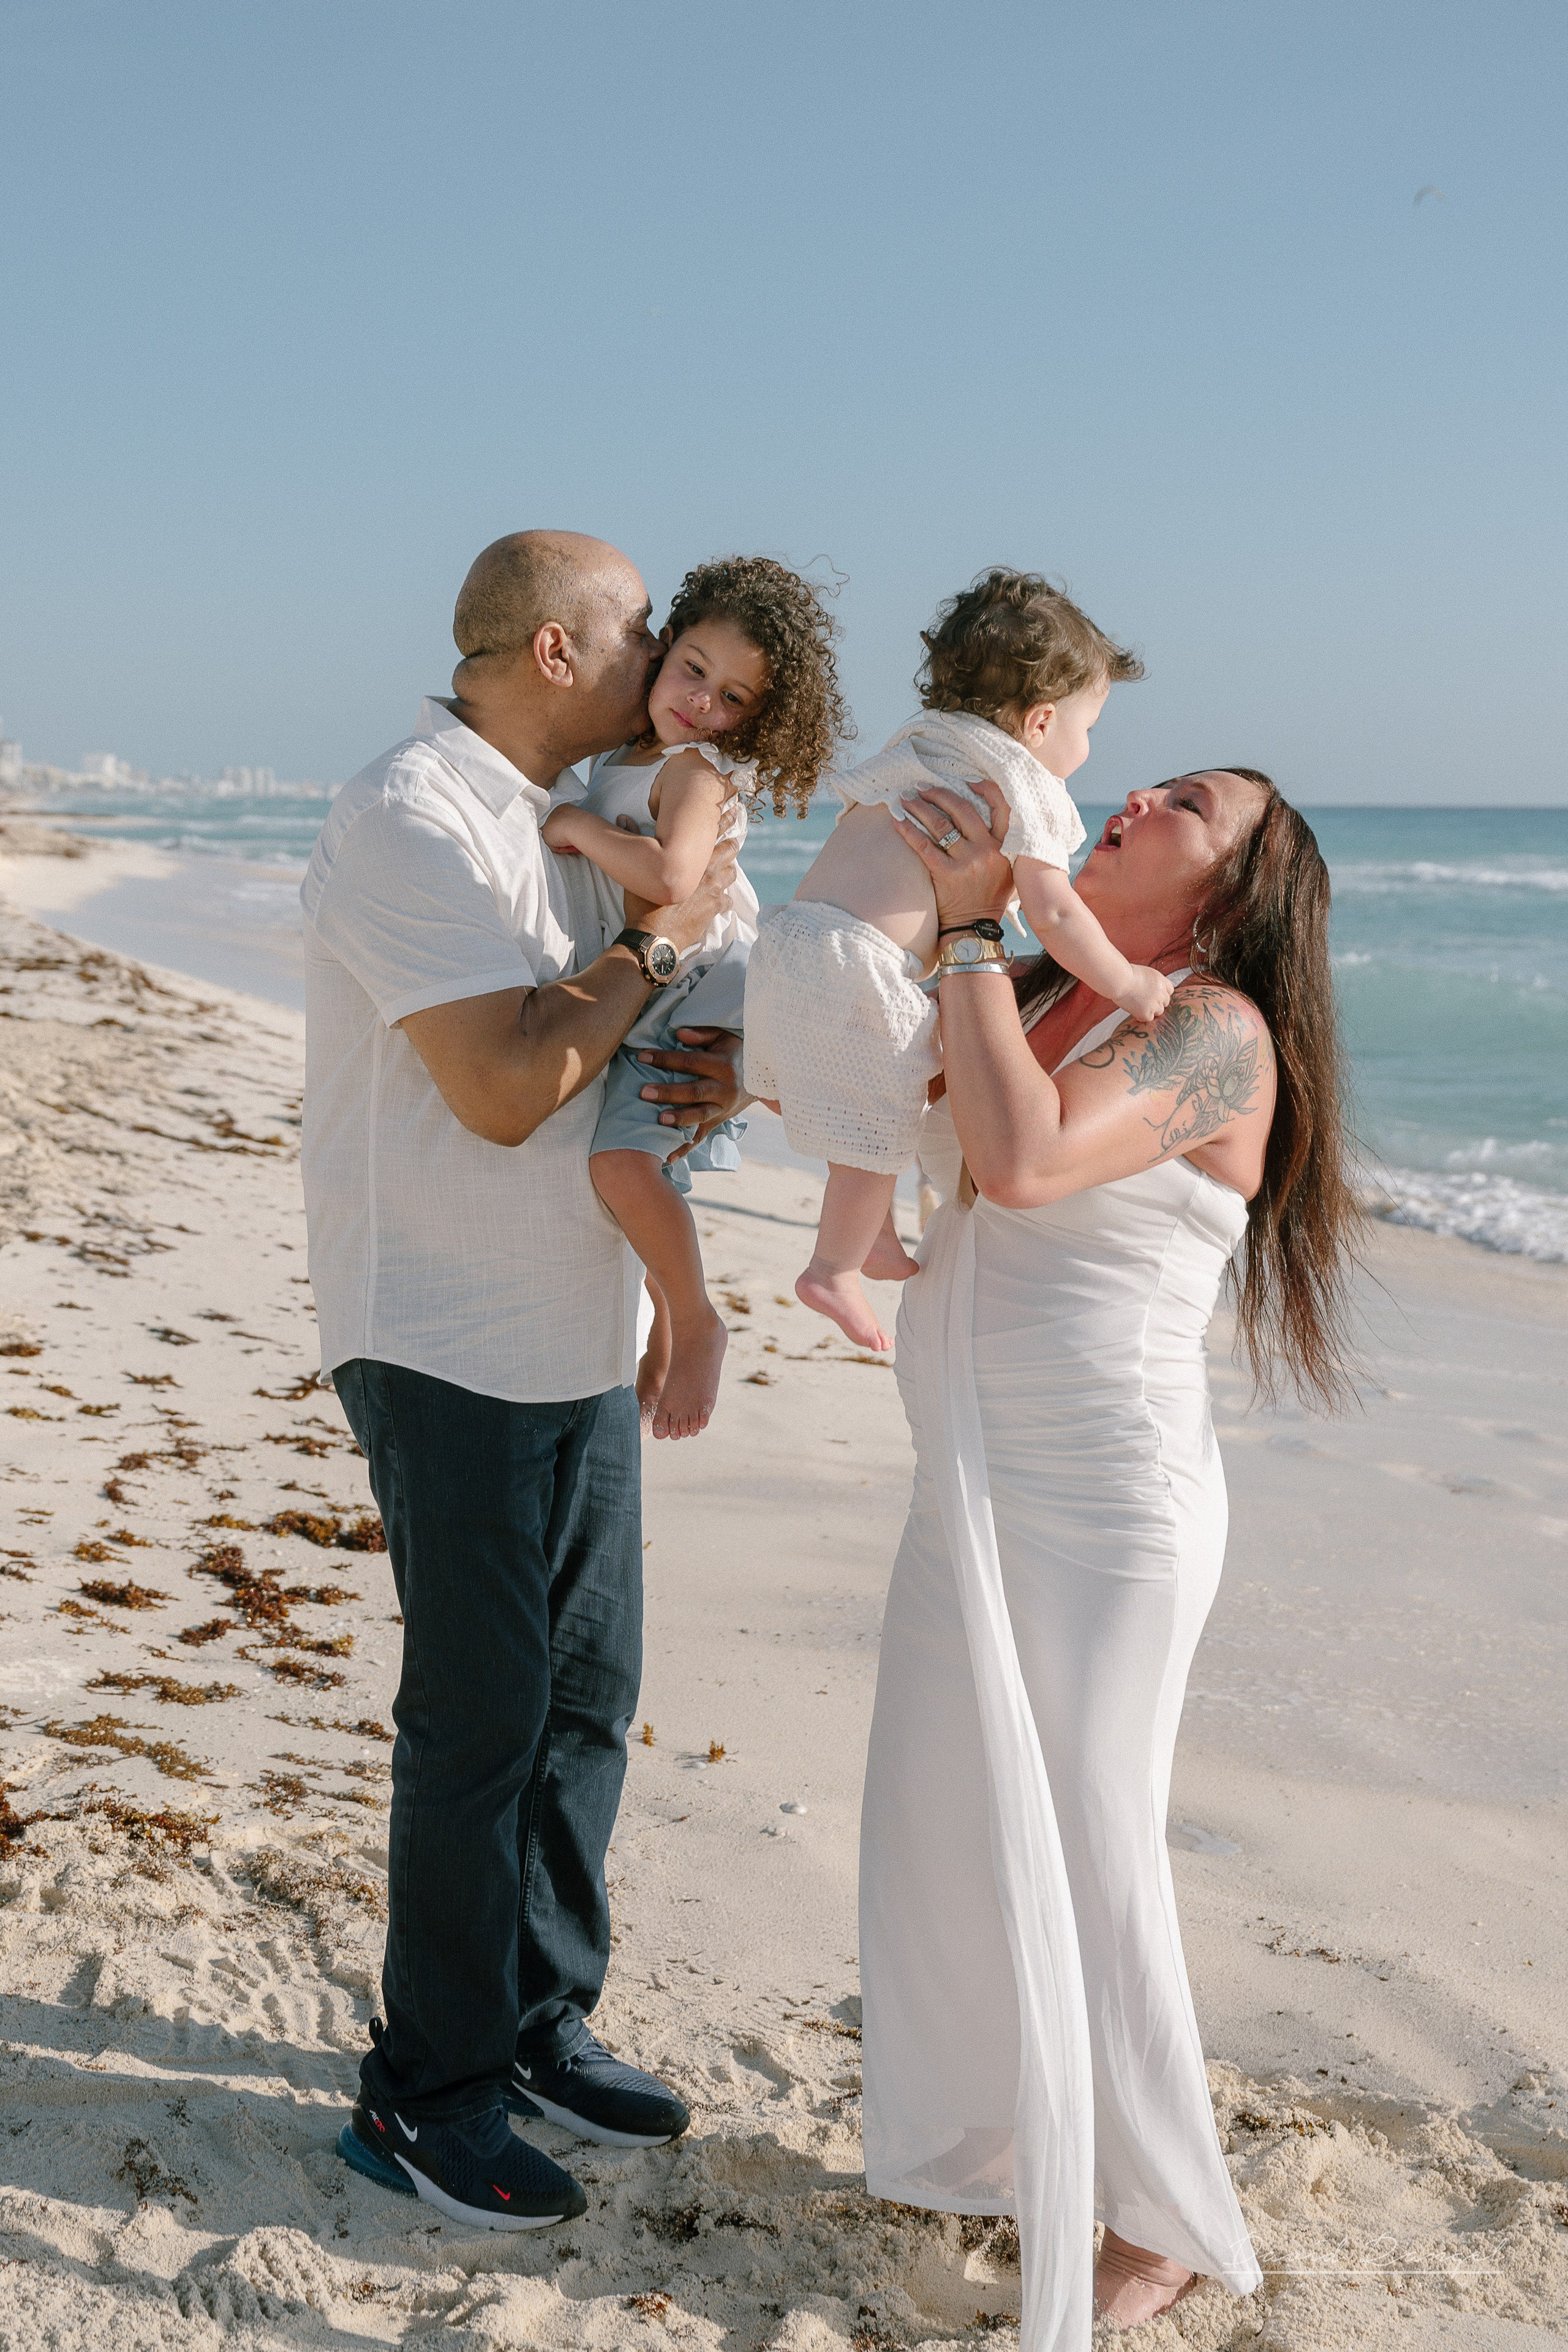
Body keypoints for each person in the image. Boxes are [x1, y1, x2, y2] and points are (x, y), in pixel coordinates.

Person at [858, 768, 1359, 2344]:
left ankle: (1161, 2215)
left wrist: (958, 932)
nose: (1131, 789)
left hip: (1104, 1506)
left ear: (1230, 891)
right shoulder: (1038, 984)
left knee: (1090, 1846)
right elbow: (892, 1117)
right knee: (937, 1818)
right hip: (971, 1485)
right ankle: (1008, 2146)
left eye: (1186, 799)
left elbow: (1018, 1163)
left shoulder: (1214, 1032)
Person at [301, 530, 747, 2233]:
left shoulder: (614, 814)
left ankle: (538, 2019)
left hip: (577, 1324)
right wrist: (652, 953)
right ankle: (423, 2101)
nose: (666, 655)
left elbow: (692, 1032)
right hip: (441, 1328)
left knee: (579, 1702)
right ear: (556, 648)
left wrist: (696, 1005)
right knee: (482, 1724)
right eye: (644, 630)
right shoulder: (414, 809)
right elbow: (500, 1088)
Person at [744, 571, 1163, 1352]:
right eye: (1089, 728)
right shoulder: (1023, 783)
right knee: (886, 1117)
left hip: (789, 940)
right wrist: (1127, 981)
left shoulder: (920, 742)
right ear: (1040, 722)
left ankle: (869, 1235)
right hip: (858, 964)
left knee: (876, 1101)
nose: (1085, 747)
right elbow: (1056, 912)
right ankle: (834, 1266)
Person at [543, 555, 846, 1439]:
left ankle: (699, 1319)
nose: (705, 702)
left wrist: (579, 829)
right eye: (695, 671)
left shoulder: (696, 769)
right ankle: (663, 1336)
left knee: (621, 1166)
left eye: (736, 699)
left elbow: (675, 875)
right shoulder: (631, 754)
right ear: (664, 645)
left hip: (702, 986)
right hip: (682, 986)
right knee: (644, 1173)